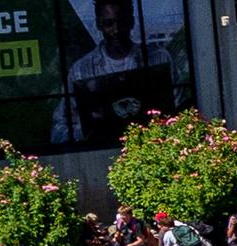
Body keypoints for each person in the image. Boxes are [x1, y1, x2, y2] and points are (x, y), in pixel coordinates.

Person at [53, 0, 176, 143]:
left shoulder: (160, 59)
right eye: (109, 23)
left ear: (131, 22)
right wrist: (87, 131)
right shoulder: (80, 71)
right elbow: (58, 131)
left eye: (121, 22)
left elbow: (179, 110)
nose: (116, 30)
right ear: (99, 24)